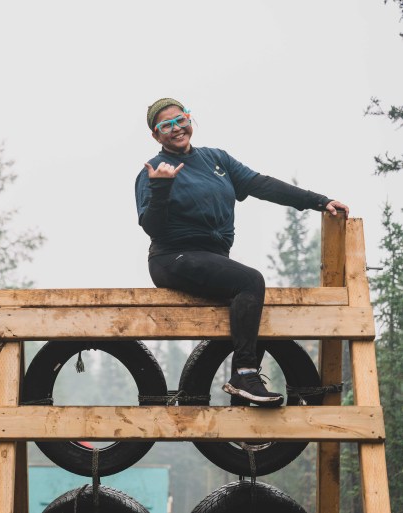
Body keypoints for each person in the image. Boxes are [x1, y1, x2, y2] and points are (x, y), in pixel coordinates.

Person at [135, 98, 349, 407]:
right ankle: (244, 374)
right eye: (165, 126)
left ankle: (245, 390)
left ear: (189, 120)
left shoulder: (216, 160)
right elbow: (152, 227)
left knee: (252, 302)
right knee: (250, 281)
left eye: (180, 120)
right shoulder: (154, 171)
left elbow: (261, 184)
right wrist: (161, 188)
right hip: (173, 258)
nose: (176, 129)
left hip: (214, 258)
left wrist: (319, 201)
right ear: (156, 136)